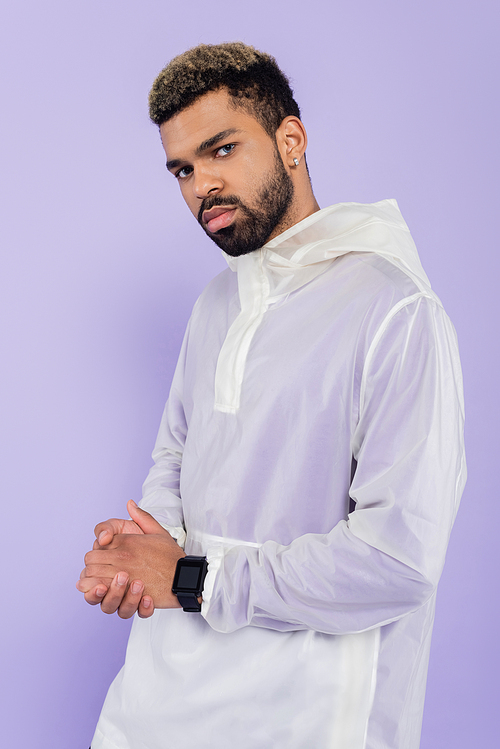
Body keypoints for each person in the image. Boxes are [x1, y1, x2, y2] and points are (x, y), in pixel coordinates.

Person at [78, 42, 466, 749]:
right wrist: (146, 547)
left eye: (221, 149)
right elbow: (176, 453)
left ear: (291, 140)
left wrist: (191, 577)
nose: (200, 185)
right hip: (161, 700)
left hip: (311, 718)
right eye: (183, 169)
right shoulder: (218, 302)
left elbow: (397, 563)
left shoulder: (395, 312)